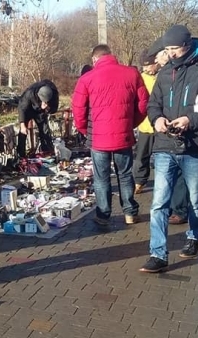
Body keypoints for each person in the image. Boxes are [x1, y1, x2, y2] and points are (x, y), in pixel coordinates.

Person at [142, 25, 198, 273]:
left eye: (174, 49)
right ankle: (158, 254)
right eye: (166, 49)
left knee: (196, 198)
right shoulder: (165, 71)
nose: (169, 54)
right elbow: (153, 104)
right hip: (165, 145)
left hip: (195, 146)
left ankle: (194, 236)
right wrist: (157, 119)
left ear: (187, 45)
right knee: (159, 202)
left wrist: (190, 120)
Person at [71, 44, 149, 226]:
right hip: (123, 136)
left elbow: (78, 110)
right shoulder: (132, 74)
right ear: (111, 56)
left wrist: (85, 130)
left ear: (94, 59)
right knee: (125, 174)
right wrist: (130, 124)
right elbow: (143, 104)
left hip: (98, 138)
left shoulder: (87, 78)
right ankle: (130, 212)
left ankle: (103, 215)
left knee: (101, 177)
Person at [133, 40, 169, 194]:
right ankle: (140, 181)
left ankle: (167, 181)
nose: (148, 68)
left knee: (164, 156)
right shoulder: (140, 78)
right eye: (145, 65)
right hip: (146, 124)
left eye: (149, 64)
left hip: (163, 123)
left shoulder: (164, 75)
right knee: (142, 155)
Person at [17, 79, 59, 156]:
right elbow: (22, 108)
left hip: (41, 112)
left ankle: (47, 152)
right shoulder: (30, 92)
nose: (44, 103)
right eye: (43, 101)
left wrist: (48, 108)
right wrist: (22, 125)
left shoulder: (54, 93)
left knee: (44, 130)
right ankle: (21, 155)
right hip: (28, 108)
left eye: (46, 102)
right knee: (23, 132)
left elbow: (55, 108)